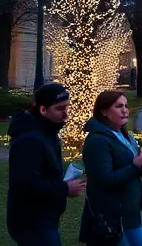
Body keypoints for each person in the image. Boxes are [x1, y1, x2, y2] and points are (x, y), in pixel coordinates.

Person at [8, 82, 85, 246]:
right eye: (59, 109)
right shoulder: (30, 139)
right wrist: (65, 188)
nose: (65, 114)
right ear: (43, 110)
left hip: (45, 217)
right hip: (32, 221)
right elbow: (24, 185)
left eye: (67, 108)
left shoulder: (48, 132)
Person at [80, 90, 142, 246]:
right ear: (104, 111)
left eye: (126, 106)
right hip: (113, 216)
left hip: (131, 213)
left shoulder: (124, 135)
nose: (125, 110)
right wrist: (135, 165)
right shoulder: (97, 141)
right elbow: (105, 180)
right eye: (119, 106)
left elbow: (139, 171)